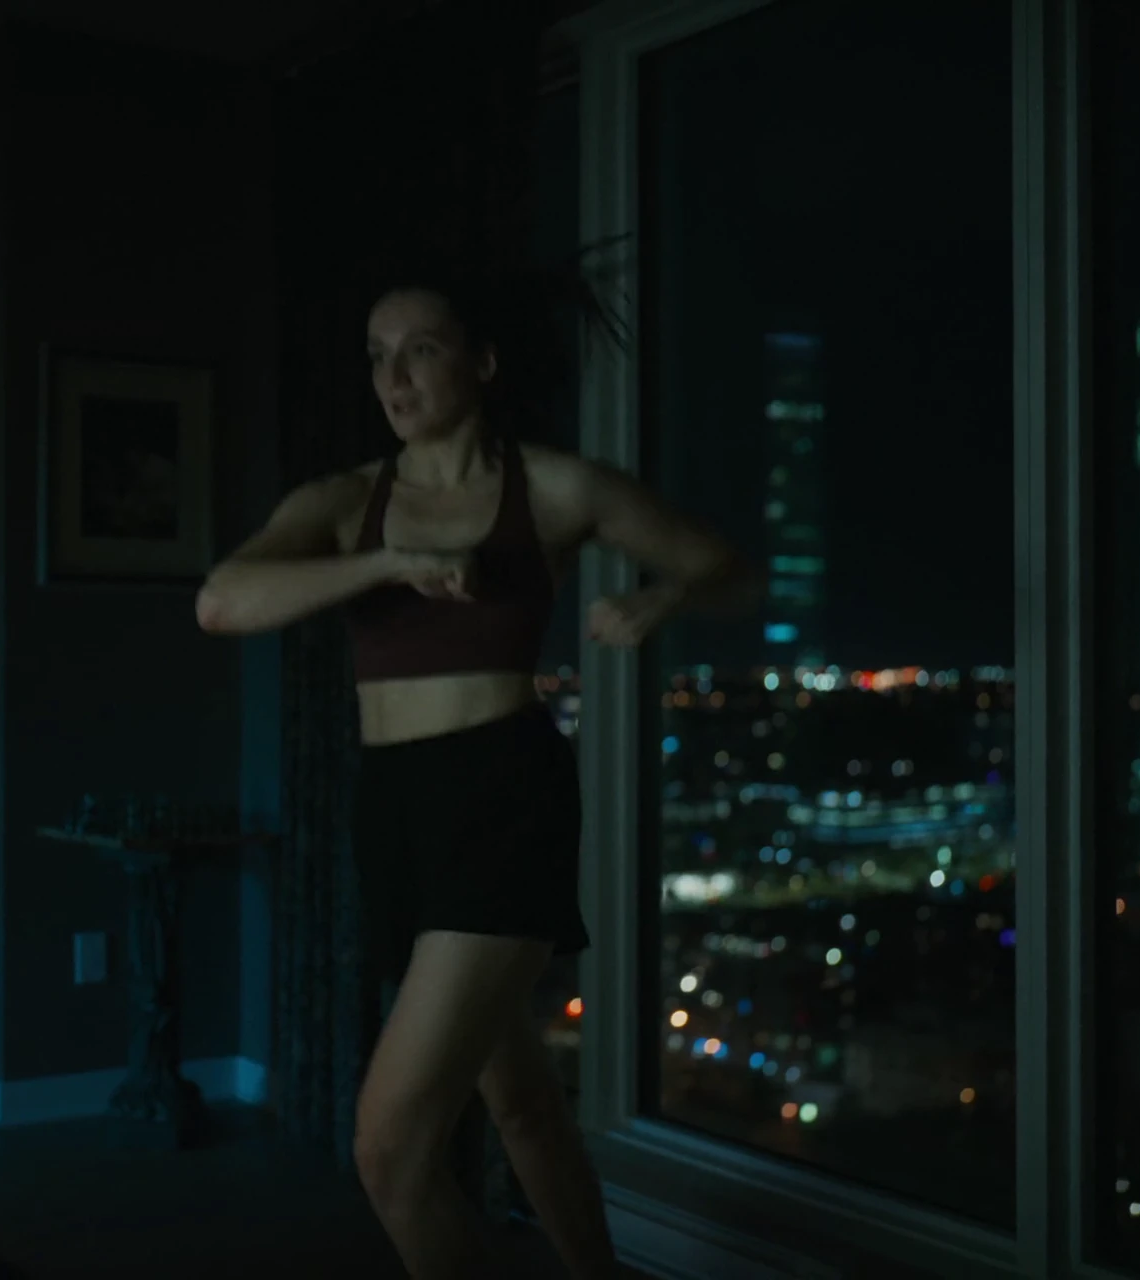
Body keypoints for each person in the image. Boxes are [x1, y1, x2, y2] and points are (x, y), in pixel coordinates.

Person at [194, 265, 759, 1280]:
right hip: (392, 804)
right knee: (520, 1100)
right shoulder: (345, 501)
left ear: (483, 362)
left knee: (388, 1151)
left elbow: (729, 565)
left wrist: (659, 599)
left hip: (502, 795)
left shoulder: (554, 488)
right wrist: (388, 564)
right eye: (377, 356)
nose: (394, 378)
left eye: (420, 350)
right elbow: (222, 601)